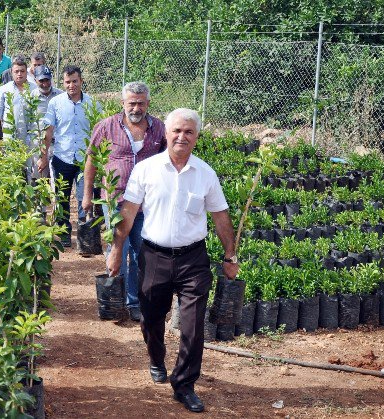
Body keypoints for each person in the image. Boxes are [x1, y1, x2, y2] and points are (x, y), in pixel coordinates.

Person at [106, 108, 239, 414]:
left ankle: (184, 384)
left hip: (193, 259)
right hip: (154, 257)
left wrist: (230, 255)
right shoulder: (147, 170)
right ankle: (156, 357)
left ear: (196, 137)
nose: (182, 137)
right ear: (166, 133)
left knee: (193, 327)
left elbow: (221, 217)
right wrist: (116, 250)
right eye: (176, 131)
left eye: (189, 132)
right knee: (151, 319)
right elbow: (127, 213)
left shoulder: (206, 174)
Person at [83, 81, 166, 322]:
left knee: (142, 253)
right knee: (119, 249)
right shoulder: (106, 127)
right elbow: (91, 161)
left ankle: (134, 302)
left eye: (141, 103)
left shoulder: (159, 129)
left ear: (148, 103)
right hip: (115, 201)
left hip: (146, 203)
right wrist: (87, 196)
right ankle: (115, 303)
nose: (136, 108)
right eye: (132, 103)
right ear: (123, 103)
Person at [38, 65, 100, 247]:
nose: (71, 85)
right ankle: (64, 232)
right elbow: (48, 132)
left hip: (84, 161)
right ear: (63, 83)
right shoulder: (55, 103)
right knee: (62, 197)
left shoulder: (92, 104)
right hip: (61, 158)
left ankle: (83, 235)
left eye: (74, 81)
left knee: (84, 198)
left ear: (81, 81)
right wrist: (43, 157)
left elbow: (99, 132)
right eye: (67, 82)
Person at [28, 64, 63, 183]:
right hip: (38, 143)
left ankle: (57, 201)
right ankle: (41, 201)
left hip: (57, 142)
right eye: (41, 80)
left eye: (47, 80)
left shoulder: (61, 95)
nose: (45, 83)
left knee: (58, 180)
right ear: (35, 80)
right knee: (39, 178)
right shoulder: (31, 97)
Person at [0, 55, 37, 142]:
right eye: (16, 71)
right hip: (10, 133)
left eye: (22, 71)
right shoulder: (4, 89)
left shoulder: (35, 89)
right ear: (11, 73)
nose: (19, 74)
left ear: (26, 72)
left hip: (30, 135)